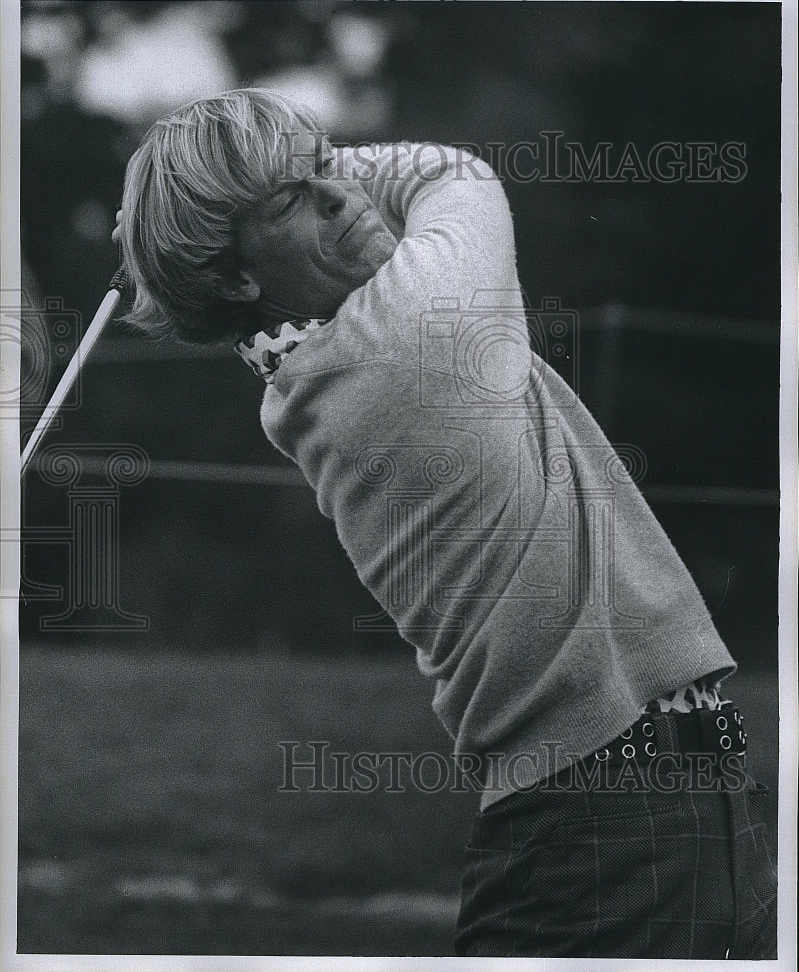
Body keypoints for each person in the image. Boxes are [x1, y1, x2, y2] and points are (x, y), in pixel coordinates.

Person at [115, 87, 777, 958]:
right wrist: (276, 172)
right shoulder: (407, 336)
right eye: (294, 200)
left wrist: (257, 179)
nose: (340, 195)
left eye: (330, 169)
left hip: (684, 787)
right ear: (238, 278)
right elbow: (454, 172)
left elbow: (381, 193)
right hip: (604, 818)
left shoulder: (335, 351)